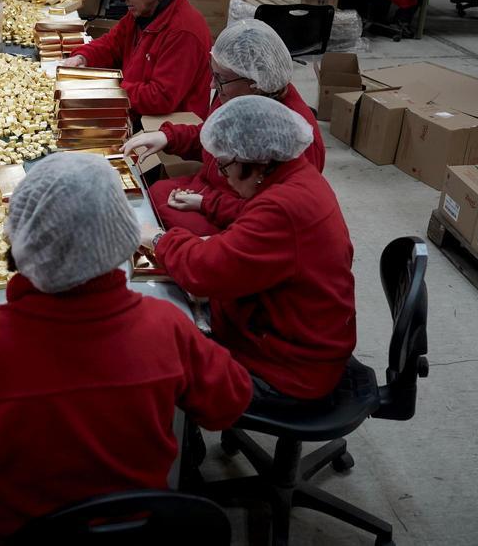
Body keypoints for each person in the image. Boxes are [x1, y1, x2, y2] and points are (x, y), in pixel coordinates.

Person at [0, 153, 252, 545]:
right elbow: (229, 403)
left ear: (19, 241)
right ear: (121, 236)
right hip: (138, 530)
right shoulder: (166, 325)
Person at [141, 96, 356, 406]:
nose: (222, 176)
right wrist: (206, 203)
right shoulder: (296, 176)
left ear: (256, 164)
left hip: (291, 371)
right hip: (296, 337)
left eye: (225, 166)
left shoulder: (283, 208)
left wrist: (158, 240)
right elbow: (251, 216)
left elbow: (203, 272)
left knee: (158, 362)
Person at [123, 19, 325, 235]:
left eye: (220, 78)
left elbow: (271, 217)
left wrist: (206, 204)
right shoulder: (235, 95)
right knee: (151, 195)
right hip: (210, 191)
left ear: (255, 83)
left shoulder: (294, 138)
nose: (212, 85)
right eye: (213, 74)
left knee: (161, 220)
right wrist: (168, 137)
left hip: (235, 215)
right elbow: (215, 138)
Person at [60, 0, 211, 117]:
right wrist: (83, 57)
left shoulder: (183, 31)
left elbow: (159, 98)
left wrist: (104, 84)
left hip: (162, 126)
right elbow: (111, 45)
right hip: (132, 107)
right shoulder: (143, 12)